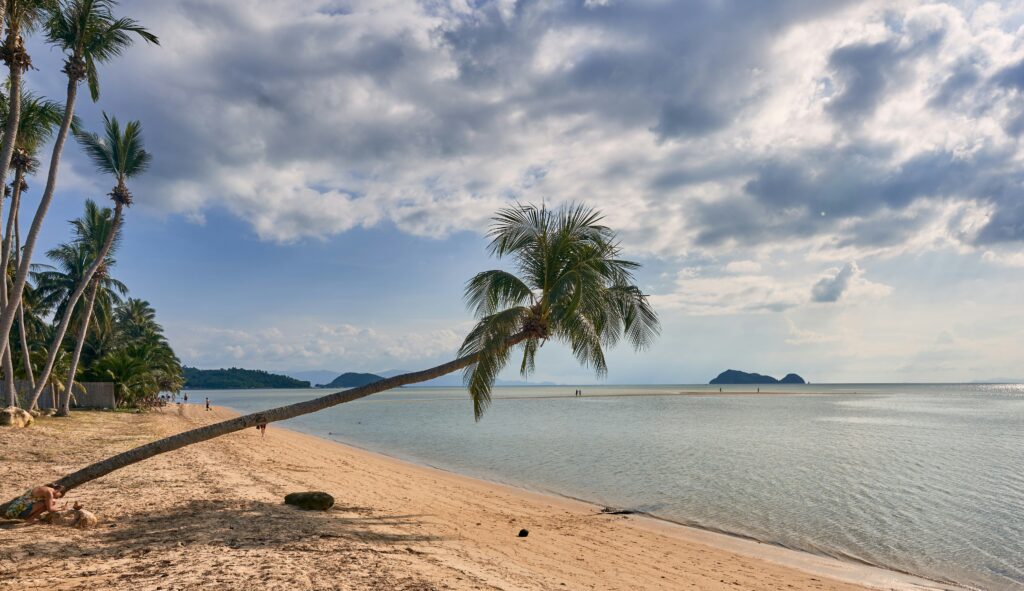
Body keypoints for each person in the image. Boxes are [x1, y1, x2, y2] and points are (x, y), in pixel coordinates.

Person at [1, 484, 65, 522]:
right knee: (49, 503)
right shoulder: (49, 493)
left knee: (51, 502)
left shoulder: (44, 488)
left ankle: (31, 518)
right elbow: (50, 509)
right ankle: (30, 519)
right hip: (18, 512)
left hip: (13, 511)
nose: (57, 498)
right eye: (60, 496)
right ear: (58, 491)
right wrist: (61, 509)